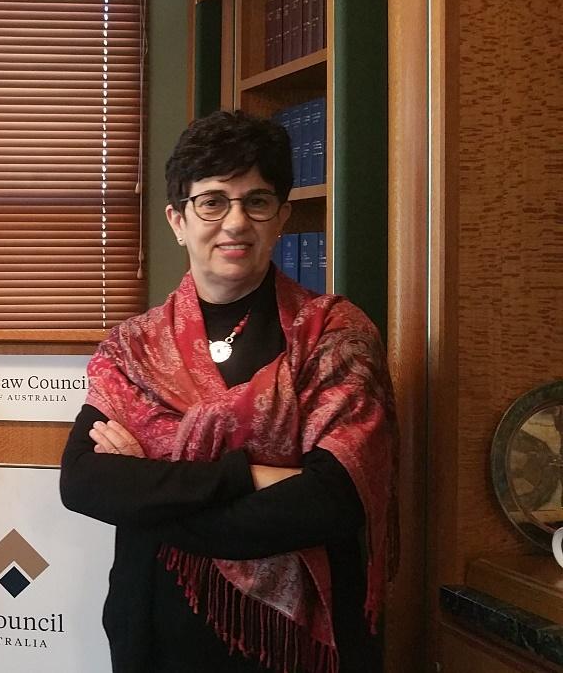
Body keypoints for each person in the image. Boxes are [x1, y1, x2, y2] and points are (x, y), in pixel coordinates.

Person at [60, 110, 396, 673]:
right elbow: (85, 481)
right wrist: (247, 475)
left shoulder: (332, 335)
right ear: (178, 219)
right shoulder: (136, 348)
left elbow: (330, 501)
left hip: (296, 645)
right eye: (212, 201)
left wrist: (148, 494)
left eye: (256, 201)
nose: (235, 222)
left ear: (281, 216)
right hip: (155, 627)